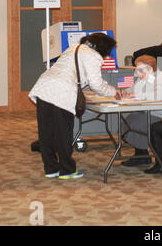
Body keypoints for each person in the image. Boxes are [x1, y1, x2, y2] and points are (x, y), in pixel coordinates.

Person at [29, 33, 117, 180]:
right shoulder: (93, 56)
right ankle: (67, 170)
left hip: (44, 88)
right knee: (63, 132)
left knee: (47, 132)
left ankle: (51, 168)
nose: (108, 55)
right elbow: (96, 84)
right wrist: (114, 92)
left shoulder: (73, 48)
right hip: (61, 93)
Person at [118, 55, 162, 167]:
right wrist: (124, 92)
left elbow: (157, 96)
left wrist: (136, 95)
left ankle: (143, 156)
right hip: (149, 111)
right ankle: (141, 155)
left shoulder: (161, 78)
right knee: (130, 119)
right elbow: (132, 89)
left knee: (135, 121)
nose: (137, 71)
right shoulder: (145, 77)